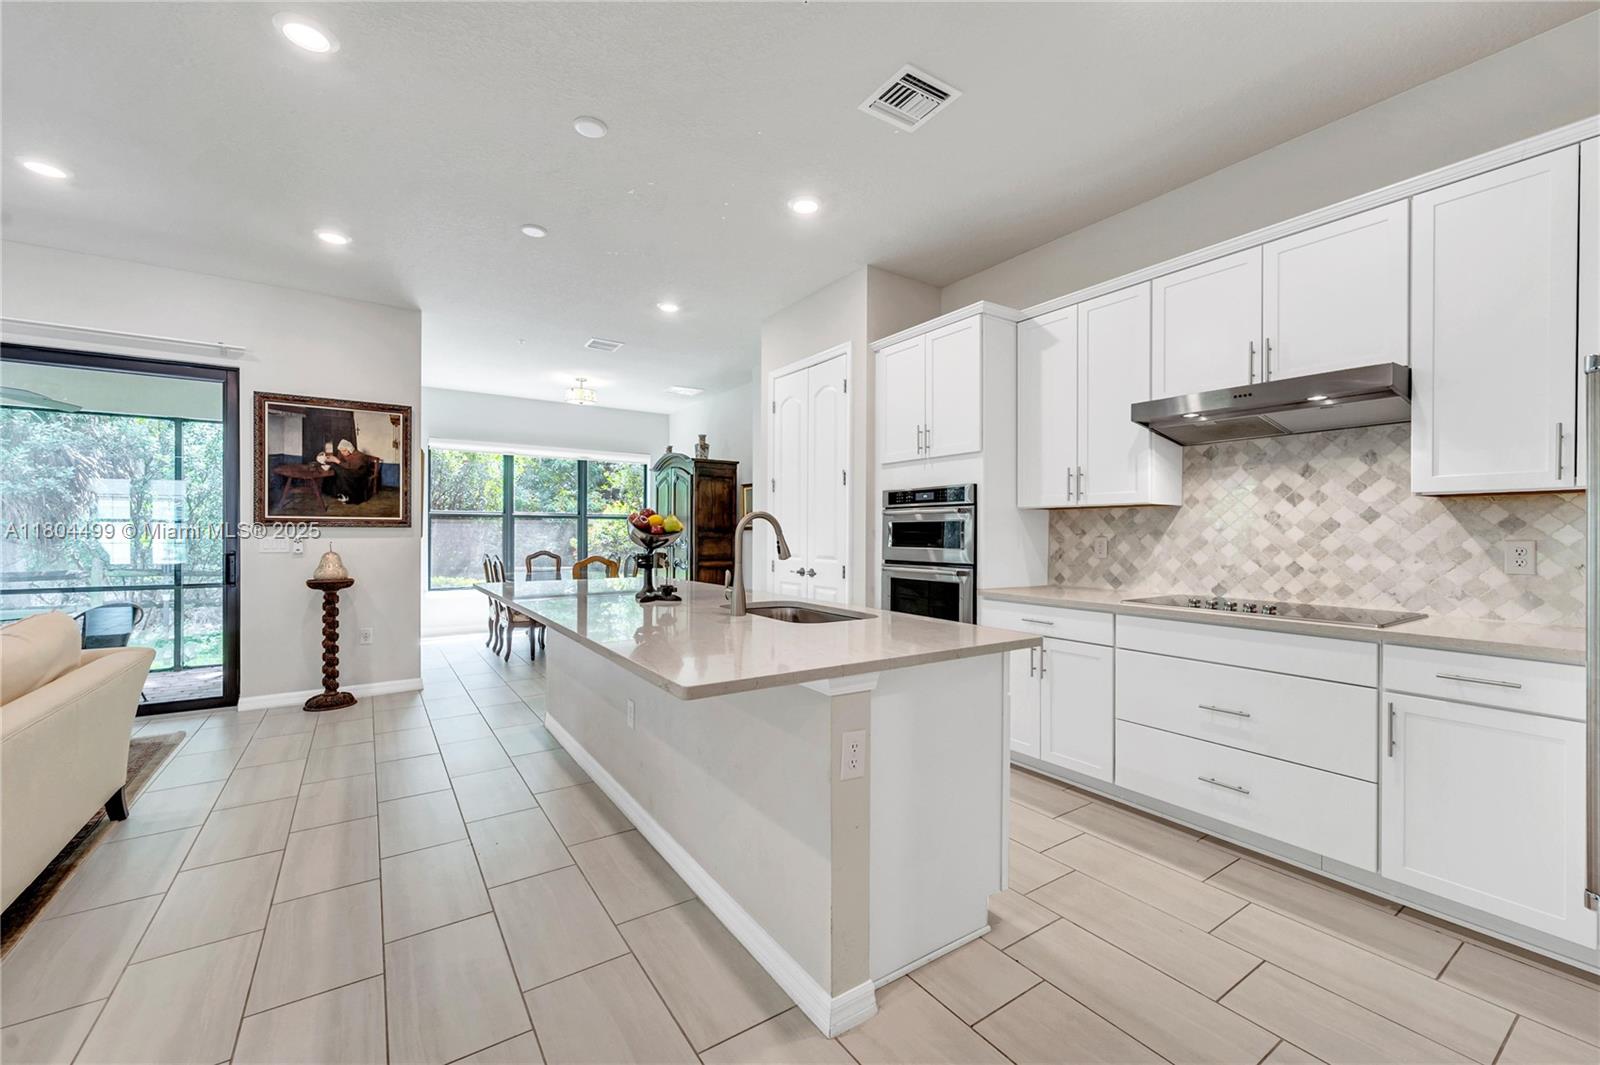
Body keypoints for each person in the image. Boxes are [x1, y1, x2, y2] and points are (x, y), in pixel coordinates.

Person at [328, 439, 373, 504]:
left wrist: (337, 461)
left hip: (358, 474)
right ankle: (340, 493)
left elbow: (352, 466)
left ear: (350, 449)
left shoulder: (359, 455)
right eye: (341, 451)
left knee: (342, 474)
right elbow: (340, 461)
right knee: (334, 469)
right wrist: (331, 460)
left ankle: (349, 497)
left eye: (344, 451)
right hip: (348, 470)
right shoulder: (342, 453)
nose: (342, 453)